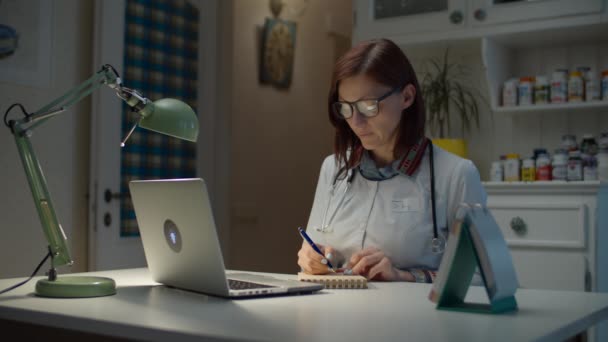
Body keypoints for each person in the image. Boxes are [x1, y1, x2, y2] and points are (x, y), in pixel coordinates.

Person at [296, 38, 487, 283]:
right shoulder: (332, 169)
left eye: (368, 106)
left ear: (406, 97)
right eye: (346, 108)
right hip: (336, 316)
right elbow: (313, 250)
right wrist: (312, 259)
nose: (356, 122)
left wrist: (403, 276)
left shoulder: (457, 174)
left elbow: (481, 277)